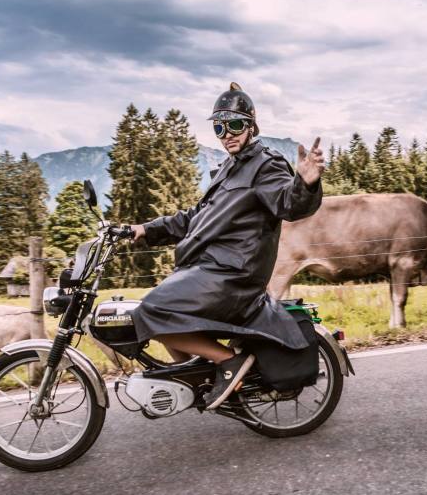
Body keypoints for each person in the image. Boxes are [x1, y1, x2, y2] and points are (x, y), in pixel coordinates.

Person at [129, 83, 325, 409]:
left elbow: (289, 204)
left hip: (234, 275)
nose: (227, 134)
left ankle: (228, 362)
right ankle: (200, 378)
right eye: (220, 127)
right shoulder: (229, 169)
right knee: (156, 316)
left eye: (234, 124)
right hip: (211, 269)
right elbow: (193, 218)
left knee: (152, 312)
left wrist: (306, 181)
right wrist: (144, 230)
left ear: (250, 126)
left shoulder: (265, 164)